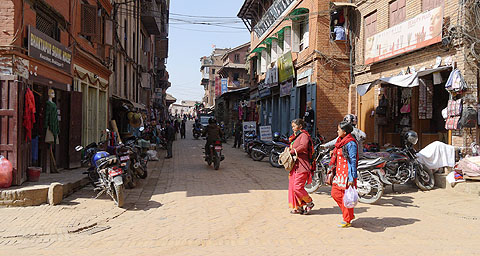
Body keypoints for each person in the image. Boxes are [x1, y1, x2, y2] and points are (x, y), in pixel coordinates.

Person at [329, 121, 358, 227]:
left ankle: (347, 219)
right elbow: (336, 147)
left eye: (339, 130)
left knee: (346, 196)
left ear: (345, 132)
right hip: (339, 173)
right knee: (335, 193)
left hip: (347, 174)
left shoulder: (351, 143)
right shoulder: (340, 141)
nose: (337, 131)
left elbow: (353, 160)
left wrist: (351, 178)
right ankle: (349, 214)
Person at [288, 118, 315, 215]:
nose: (293, 128)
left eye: (294, 126)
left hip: (302, 165)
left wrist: (292, 151)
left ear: (300, 126)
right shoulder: (295, 136)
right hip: (295, 166)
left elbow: (303, 146)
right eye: (292, 126)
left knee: (297, 187)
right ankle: (299, 207)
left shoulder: (304, 135)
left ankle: (309, 202)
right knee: (293, 187)